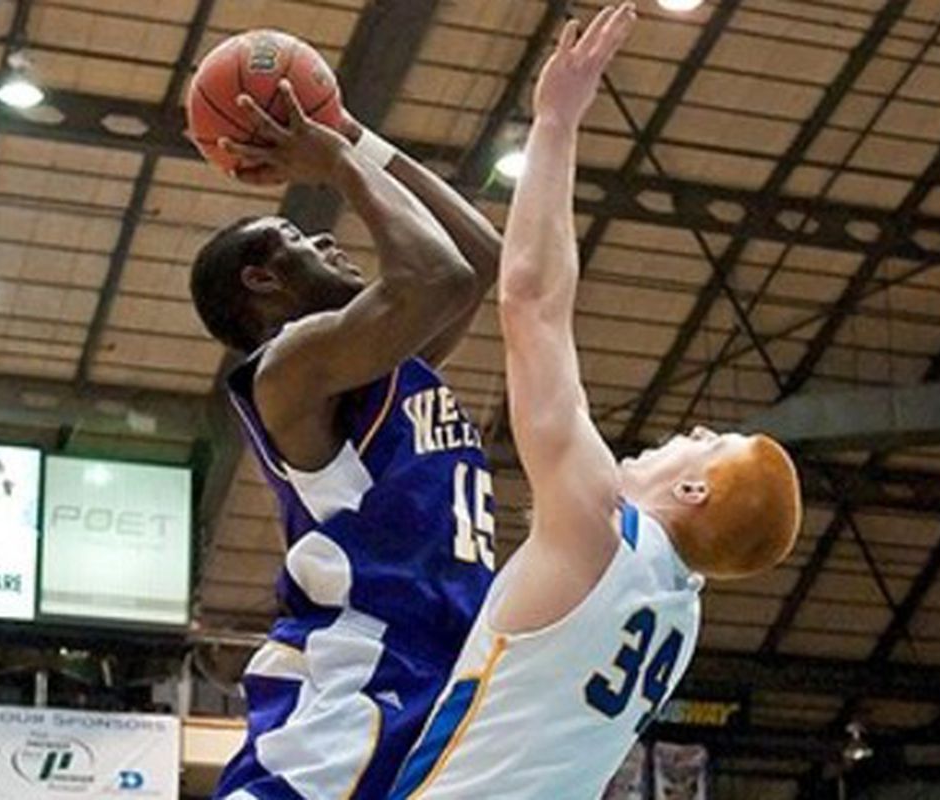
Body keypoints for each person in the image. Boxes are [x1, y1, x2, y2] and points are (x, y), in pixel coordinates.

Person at [388, 6, 802, 799]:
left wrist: (556, 122)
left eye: (706, 441)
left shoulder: (599, 533)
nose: (688, 430)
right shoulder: (678, 616)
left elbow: (531, 303)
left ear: (692, 490)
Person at [190, 78, 502, 799]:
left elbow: (480, 261)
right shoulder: (289, 369)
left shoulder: (382, 365)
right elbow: (438, 276)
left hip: (441, 671)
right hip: (356, 679)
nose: (328, 237)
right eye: (299, 239)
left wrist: (357, 137)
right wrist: (331, 160)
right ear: (264, 280)